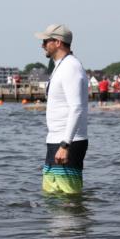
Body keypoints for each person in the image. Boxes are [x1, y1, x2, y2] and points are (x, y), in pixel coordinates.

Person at [35, 24, 88, 196]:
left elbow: (76, 107)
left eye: (45, 41)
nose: (42, 45)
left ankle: (74, 223)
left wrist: (65, 144)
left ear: (58, 42)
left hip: (67, 142)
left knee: (68, 198)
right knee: (51, 197)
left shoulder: (70, 67)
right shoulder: (60, 66)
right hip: (55, 140)